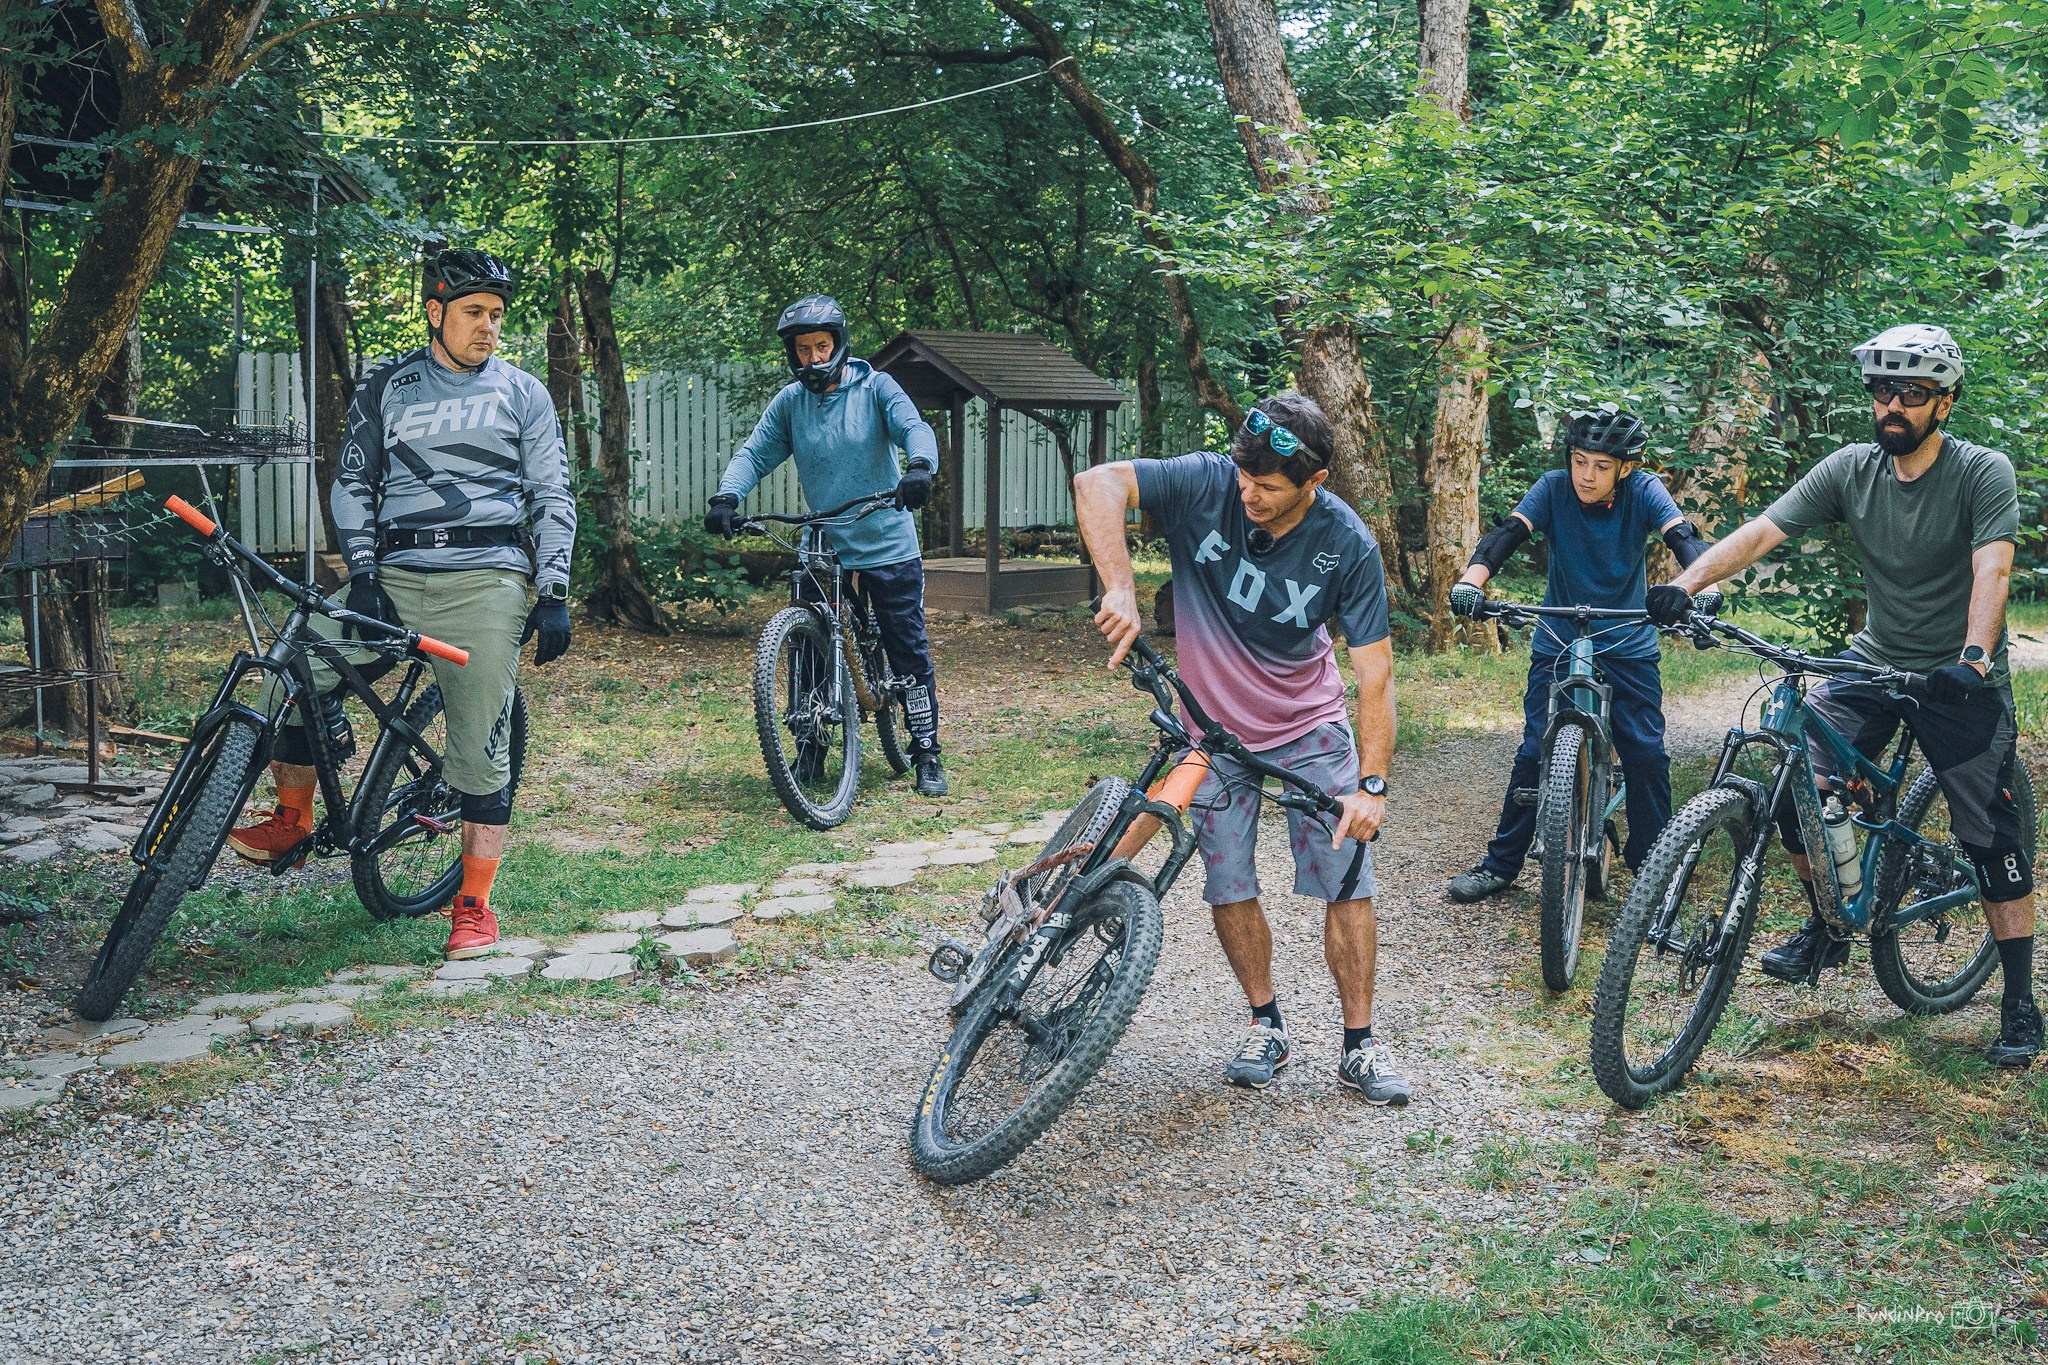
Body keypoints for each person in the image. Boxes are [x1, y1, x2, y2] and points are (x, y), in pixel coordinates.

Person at [1648, 323, 2038, 1067]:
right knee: (1797, 781)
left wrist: (1975, 656)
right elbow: (1762, 532)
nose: (1893, 404)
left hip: (1956, 676)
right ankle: (1829, 927)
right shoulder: (1851, 468)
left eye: (1913, 392)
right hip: (1874, 661)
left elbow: (1993, 571)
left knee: (1990, 837)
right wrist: (1685, 581)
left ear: (1944, 404)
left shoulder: (1982, 472)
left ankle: (2020, 1002)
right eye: (1882, 389)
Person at [227, 248, 577, 962]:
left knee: (479, 740)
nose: (489, 328)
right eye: (475, 313)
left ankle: (474, 905)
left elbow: (551, 494)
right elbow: (352, 483)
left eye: (497, 316)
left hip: (487, 577)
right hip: (392, 571)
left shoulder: (524, 392)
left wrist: (556, 589)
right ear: (435, 311)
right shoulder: (388, 384)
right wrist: (361, 571)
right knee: (291, 664)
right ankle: (292, 817)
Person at [1074, 391, 1411, 1105]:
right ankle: (1266, 1022)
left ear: (1313, 484)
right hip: (1213, 733)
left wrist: (1371, 786)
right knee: (1228, 880)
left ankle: (1360, 1043)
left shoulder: (1347, 544)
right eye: (1244, 478)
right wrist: (1122, 587)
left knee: (1347, 878)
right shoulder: (1209, 480)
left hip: (1309, 726)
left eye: (1267, 486)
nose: (1248, 493)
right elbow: (1097, 483)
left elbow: (1375, 675)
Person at [1444, 408, 1707, 903]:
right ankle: (1501, 865)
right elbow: (1507, 535)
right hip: (1560, 636)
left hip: (1627, 639)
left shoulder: (1646, 490)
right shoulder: (1553, 487)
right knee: (1532, 749)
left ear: (1625, 468)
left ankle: (1654, 867)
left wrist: (1700, 587)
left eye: (1601, 466)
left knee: (1645, 751)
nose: (1586, 475)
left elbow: (1684, 539)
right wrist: (1471, 579)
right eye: (1579, 461)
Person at [705, 294, 948, 796]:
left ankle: (926, 751)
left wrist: (921, 467)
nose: (814, 358)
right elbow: (754, 452)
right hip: (825, 539)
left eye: (822, 345)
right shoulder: (790, 404)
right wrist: (727, 495)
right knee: (811, 645)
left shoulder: (876, 387)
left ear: (839, 343)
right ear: (792, 354)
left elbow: (913, 428)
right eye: (803, 349)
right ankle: (810, 747)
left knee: (906, 646)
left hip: (884, 533)